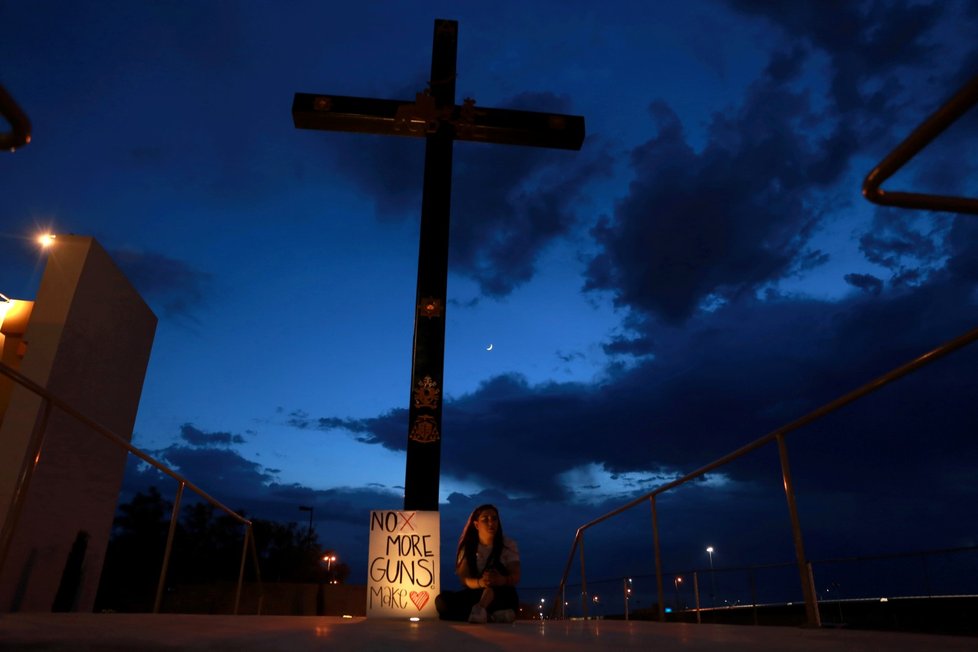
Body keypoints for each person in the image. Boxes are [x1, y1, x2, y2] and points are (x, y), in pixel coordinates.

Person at [435, 504, 520, 623]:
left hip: (501, 595)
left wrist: (501, 579)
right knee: (442, 601)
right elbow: (464, 579)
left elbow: (515, 575)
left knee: (496, 568)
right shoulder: (468, 547)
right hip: (477, 592)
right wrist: (481, 582)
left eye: (494, 518)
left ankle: (481, 610)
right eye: (485, 519)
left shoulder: (508, 545)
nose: (491, 523)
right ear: (476, 524)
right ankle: (491, 616)